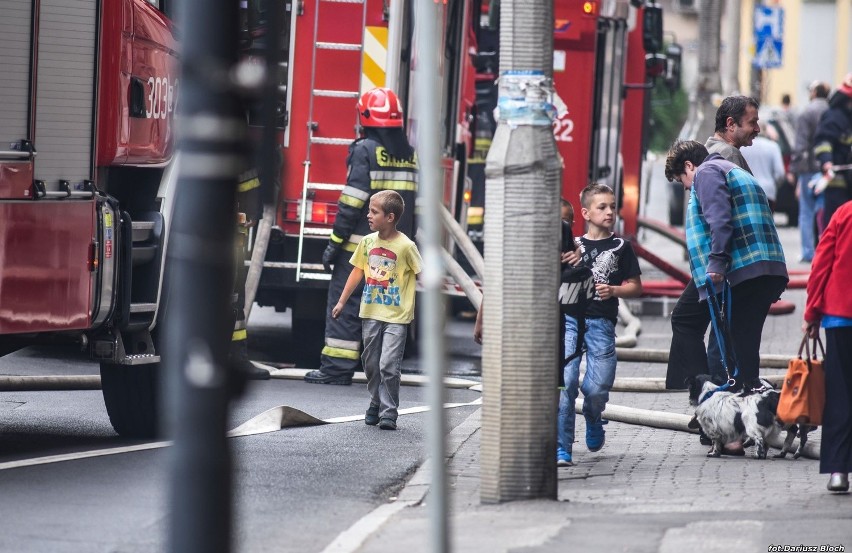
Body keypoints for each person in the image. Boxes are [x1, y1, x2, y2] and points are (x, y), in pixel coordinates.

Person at [663, 141, 788, 428]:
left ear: (688, 166)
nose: (686, 188)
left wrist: (717, 262)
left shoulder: (707, 172)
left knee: (689, 322)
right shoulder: (732, 170)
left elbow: (720, 220)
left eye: (683, 181)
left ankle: (709, 400)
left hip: (737, 268)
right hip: (763, 267)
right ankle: (748, 420)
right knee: (743, 347)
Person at [305, 88, 418, 385]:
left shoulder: (364, 149)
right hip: (397, 250)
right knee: (385, 308)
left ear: (365, 117)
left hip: (362, 247)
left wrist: (334, 244)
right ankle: (378, 371)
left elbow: (352, 203)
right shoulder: (409, 156)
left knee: (348, 302)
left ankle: (336, 369)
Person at [557, 184, 642, 467]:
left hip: (602, 324)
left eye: (612, 206)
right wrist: (565, 260)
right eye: (602, 207)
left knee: (597, 387)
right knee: (566, 383)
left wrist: (615, 291)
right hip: (569, 321)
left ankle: (594, 415)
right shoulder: (573, 243)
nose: (609, 212)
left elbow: (636, 287)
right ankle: (562, 447)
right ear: (585, 213)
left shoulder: (621, 247)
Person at [329, 190, 422, 430]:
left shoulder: (406, 246)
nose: (368, 215)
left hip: (397, 316)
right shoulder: (367, 242)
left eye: (374, 212)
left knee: (389, 365)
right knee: (371, 363)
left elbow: (422, 273)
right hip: (370, 313)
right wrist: (341, 301)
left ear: (390, 217)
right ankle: (375, 401)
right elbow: (357, 271)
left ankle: (389, 412)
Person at [803, 201, 852, 493]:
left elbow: (821, 264)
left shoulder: (844, 213)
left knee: (840, 393)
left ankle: (839, 470)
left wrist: (811, 313)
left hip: (840, 317)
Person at [791, 81, 831, 262]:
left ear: (814, 93)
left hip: (808, 169)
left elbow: (800, 144)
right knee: (825, 210)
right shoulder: (833, 112)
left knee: (806, 212)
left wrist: (795, 169)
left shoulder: (806, 113)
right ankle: (826, 250)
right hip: (828, 168)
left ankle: (808, 252)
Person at [813, 73, 852, 231]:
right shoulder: (834, 117)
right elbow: (823, 142)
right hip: (838, 183)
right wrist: (827, 161)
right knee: (838, 225)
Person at [705, 95, 761, 175]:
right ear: (731, 124)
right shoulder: (729, 154)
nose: (758, 129)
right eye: (752, 122)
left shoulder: (708, 151)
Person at [741, 132, 785, 212]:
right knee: (766, 222)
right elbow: (780, 173)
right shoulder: (773, 146)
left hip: (746, 189)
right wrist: (775, 184)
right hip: (768, 191)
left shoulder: (743, 146)